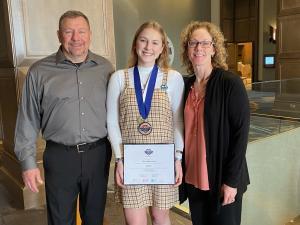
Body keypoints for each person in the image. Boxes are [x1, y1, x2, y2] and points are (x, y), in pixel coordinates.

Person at [14, 10, 114, 225]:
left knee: (95, 218)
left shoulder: (106, 68)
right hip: (60, 158)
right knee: (60, 219)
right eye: (69, 32)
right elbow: (27, 120)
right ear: (59, 35)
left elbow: (116, 115)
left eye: (81, 31)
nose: (76, 38)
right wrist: (27, 163)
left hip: (98, 154)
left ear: (90, 34)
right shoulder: (39, 72)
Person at [107, 21, 184, 225]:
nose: (148, 47)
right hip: (131, 162)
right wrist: (120, 160)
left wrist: (177, 158)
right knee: (135, 222)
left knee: (160, 216)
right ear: (135, 44)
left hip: (163, 160)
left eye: (155, 42)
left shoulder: (174, 78)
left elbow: (178, 121)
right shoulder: (119, 78)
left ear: (162, 48)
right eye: (143, 40)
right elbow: (112, 123)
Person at [179, 21, 250, 225]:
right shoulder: (185, 86)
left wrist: (231, 182)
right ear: (187, 49)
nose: (198, 48)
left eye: (204, 43)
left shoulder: (230, 83)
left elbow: (240, 135)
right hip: (194, 178)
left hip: (221, 180)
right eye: (193, 43)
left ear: (214, 48)